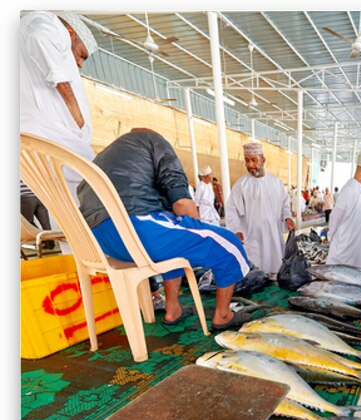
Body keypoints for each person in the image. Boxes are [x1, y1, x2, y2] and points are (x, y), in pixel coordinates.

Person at [77, 129, 251, 330]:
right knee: (229, 243)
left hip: (101, 242)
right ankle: (223, 315)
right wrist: (197, 229)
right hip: (137, 229)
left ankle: (172, 309)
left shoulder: (104, 155)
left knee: (174, 245)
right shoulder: (155, 142)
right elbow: (181, 204)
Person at [20, 11, 98, 201]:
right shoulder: (48, 21)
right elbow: (40, 34)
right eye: (82, 55)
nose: (80, 63)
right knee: (93, 188)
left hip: (43, 137)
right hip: (50, 137)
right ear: (71, 32)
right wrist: (72, 104)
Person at [225, 142, 295, 276]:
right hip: (252, 240)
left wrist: (287, 217)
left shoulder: (276, 183)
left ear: (263, 160)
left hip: (274, 240)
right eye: (247, 161)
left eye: (254, 160)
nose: (250, 165)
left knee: (275, 274)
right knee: (255, 277)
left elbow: (285, 206)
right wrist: (236, 230)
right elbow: (231, 211)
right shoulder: (241, 185)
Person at [326, 152, 361, 269]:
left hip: (355, 249)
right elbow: (335, 217)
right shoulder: (349, 189)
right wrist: (330, 237)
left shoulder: (360, 189)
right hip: (345, 249)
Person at [20, 180, 56, 250]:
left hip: (26, 197)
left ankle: (41, 238)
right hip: (40, 197)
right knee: (46, 224)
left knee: (27, 222)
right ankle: (49, 243)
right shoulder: (33, 169)